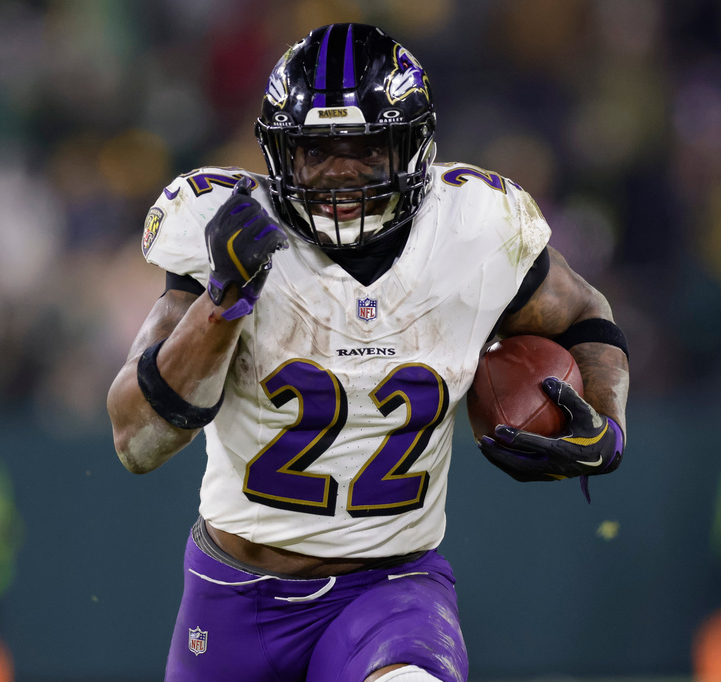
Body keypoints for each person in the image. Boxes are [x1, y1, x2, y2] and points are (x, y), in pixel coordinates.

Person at [107, 23, 629, 682]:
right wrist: (223, 300)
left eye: (366, 148)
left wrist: (608, 420)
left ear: (414, 148)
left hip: (390, 590)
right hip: (233, 596)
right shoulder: (223, 226)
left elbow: (585, 313)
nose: (340, 173)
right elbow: (137, 440)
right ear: (277, 154)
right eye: (317, 150)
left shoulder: (473, 228)